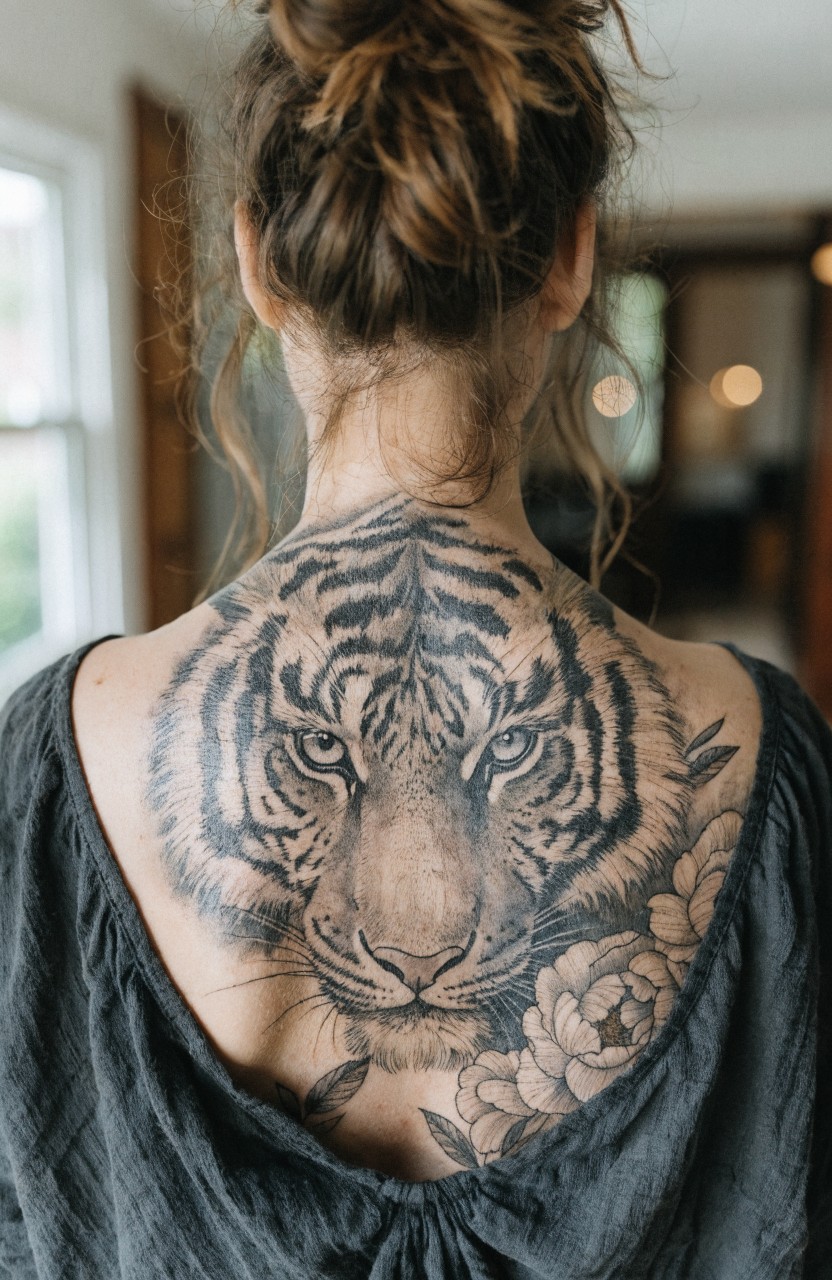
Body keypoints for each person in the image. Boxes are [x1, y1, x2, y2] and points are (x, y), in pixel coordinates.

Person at [0, 0, 830, 1276]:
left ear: (259, 266)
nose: (418, 919)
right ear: (572, 260)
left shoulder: (54, 754)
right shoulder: (763, 752)